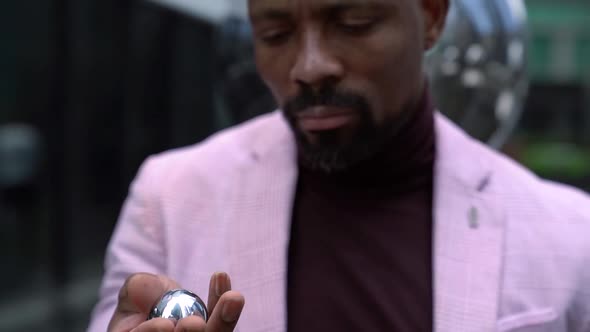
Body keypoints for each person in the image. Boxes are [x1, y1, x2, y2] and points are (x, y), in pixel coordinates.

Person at [87, 0, 590, 331]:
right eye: (276, 33)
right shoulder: (169, 197)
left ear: (432, 16)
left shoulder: (570, 235)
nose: (308, 67)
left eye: (353, 24)